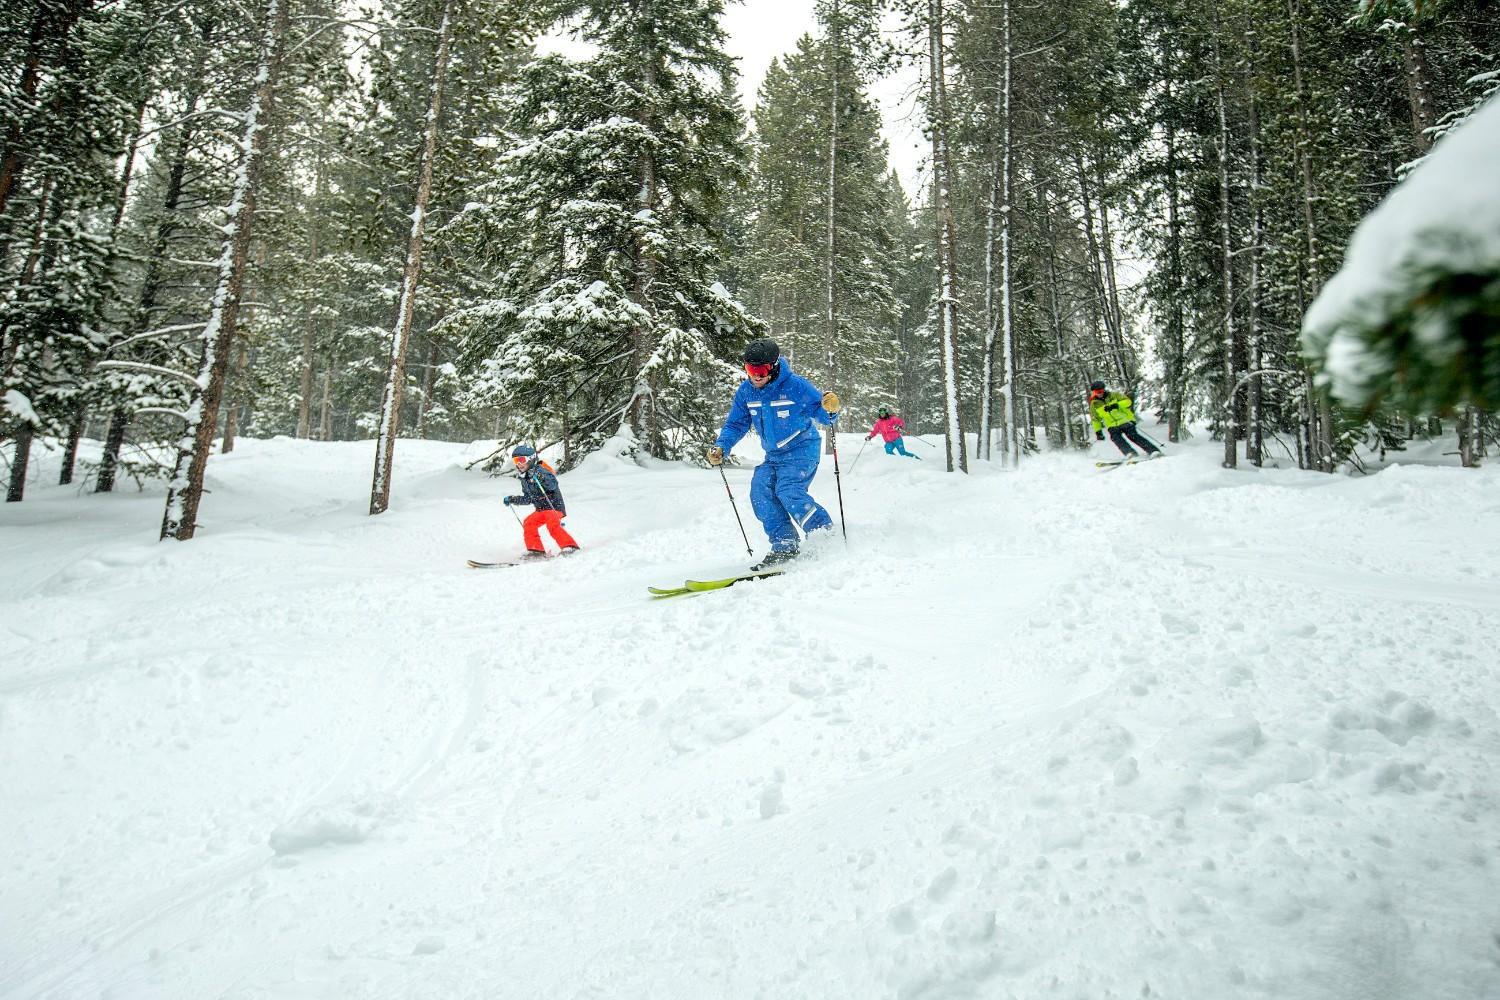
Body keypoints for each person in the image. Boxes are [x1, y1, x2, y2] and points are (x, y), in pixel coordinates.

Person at [707, 338, 841, 569]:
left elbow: (823, 414)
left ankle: (824, 536)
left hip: (801, 450)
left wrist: (831, 409)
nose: (756, 376)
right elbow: (735, 424)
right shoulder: (746, 392)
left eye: (761, 370)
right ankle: (785, 544)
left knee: (788, 490)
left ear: (774, 365)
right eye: (750, 369)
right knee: (760, 491)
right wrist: (722, 446)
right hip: (774, 456)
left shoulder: (796, 386)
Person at [503, 444, 580, 559]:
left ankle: (570, 546)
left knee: (552, 525)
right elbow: (528, 498)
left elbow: (553, 484)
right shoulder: (524, 478)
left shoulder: (542, 470)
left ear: (531, 459)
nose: (518, 463)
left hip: (553, 507)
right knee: (529, 522)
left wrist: (541, 477)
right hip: (541, 510)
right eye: (516, 460)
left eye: (521, 460)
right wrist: (514, 499)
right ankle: (536, 550)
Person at [1087, 380, 1161, 460]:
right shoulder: (1094, 404)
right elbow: (1095, 419)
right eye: (1096, 392)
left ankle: (1153, 451)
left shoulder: (1114, 395)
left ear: (1104, 390)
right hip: (1112, 425)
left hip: (1125, 420)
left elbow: (1128, 402)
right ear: (1093, 392)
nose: (1099, 393)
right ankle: (1130, 453)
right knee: (1116, 439)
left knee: (1133, 436)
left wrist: (1116, 405)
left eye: (1101, 391)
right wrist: (1098, 432)